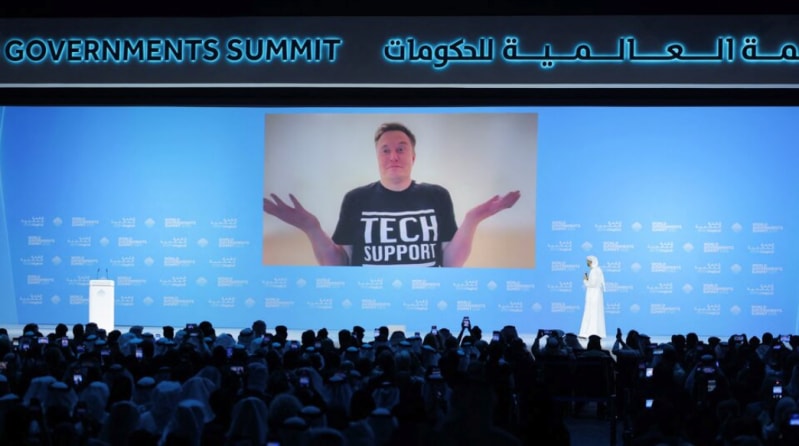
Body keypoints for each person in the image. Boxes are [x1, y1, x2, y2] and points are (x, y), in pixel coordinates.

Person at [263, 122, 520, 267]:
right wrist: (311, 227)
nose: (393, 156)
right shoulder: (356, 199)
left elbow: (450, 264)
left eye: (401, 149)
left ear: (413, 156)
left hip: (424, 299)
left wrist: (473, 219)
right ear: (377, 157)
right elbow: (340, 265)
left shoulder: (437, 196)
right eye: (385, 150)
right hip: (369, 300)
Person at [578, 255, 606, 339]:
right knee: (595, 313)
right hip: (596, 294)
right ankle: (597, 333)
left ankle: (589, 333)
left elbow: (592, 284)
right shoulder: (598, 270)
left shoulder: (594, 271)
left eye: (588, 261)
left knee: (591, 313)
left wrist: (585, 280)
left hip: (593, 295)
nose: (587, 263)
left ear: (591, 262)